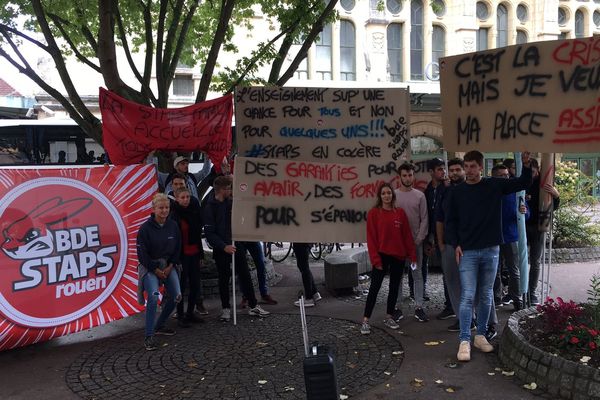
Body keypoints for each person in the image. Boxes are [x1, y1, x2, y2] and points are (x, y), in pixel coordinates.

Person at [446, 150, 532, 362]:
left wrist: (527, 164)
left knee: (486, 295)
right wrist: (456, 244)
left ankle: (481, 335)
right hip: (467, 250)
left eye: (473, 166)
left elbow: (522, 182)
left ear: (481, 167)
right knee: (467, 295)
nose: (469, 171)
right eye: (466, 167)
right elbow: (451, 221)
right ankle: (464, 339)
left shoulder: (494, 185)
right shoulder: (456, 192)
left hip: (491, 249)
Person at [203, 175, 270, 321]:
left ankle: (253, 305)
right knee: (224, 278)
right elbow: (210, 233)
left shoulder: (231, 203)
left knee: (245, 274)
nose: (231, 191)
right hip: (222, 248)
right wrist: (223, 246)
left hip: (236, 243)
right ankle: (226, 309)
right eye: (228, 188)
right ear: (222, 190)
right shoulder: (210, 207)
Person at [361, 183, 417, 335]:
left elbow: (406, 236)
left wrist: (412, 255)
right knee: (374, 288)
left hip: (398, 255)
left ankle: (389, 316)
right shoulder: (374, 213)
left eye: (389, 193)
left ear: (393, 195)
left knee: (394, 287)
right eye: (384, 193)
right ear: (380, 196)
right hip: (381, 255)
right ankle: (366, 320)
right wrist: (375, 260)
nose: (387, 196)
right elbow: (371, 238)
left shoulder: (400, 213)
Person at [136, 193, 182, 351]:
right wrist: (155, 270)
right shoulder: (145, 229)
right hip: (150, 267)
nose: (164, 211)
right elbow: (142, 255)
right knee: (154, 298)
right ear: (153, 209)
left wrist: (170, 266)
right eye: (161, 208)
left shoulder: (173, 226)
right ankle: (149, 336)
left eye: (167, 208)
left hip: (168, 265)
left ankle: (160, 324)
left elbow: (177, 248)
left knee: (176, 296)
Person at [393, 162, 429, 322]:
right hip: (398, 245)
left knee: (417, 274)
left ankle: (419, 306)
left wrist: (419, 239)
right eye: (404, 175)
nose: (407, 178)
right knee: (397, 275)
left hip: (415, 243)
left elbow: (424, 219)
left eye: (410, 175)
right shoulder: (393, 196)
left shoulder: (420, 196)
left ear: (413, 176)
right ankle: (397, 307)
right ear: (399, 177)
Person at [491, 164, 529, 311]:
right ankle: (496, 297)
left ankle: (516, 298)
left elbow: (527, 214)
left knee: (514, 269)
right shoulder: (490, 192)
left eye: (507, 175)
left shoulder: (515, 192)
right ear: (494, 177)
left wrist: (523, 211)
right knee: (494, 269)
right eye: (501, 175)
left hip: (511, 235)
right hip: (493, 236)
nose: (505, 178)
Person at [435, 158, 465, 330]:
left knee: (470, 282)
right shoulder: (444, 192)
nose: (454, 173)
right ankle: (462, 317)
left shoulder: (469, 190)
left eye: (457, 170)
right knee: (453, 283)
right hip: (448, 244)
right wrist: (440, 243)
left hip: (467, 244)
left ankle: (473, 317)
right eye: (451, 170)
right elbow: (439, 218)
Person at [526, 158, 560, 305]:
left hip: (538, 226)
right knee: (517, 262)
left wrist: (556, 195)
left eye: (533, 172)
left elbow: (552, 207)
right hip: (521, 226)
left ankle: (531, 292)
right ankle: (518, 292)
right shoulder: (521, 181)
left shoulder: (543, 183)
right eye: (529, 173)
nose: (531, 175)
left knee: (535, 261)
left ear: (537, 170)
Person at [170, 187, 206, 327]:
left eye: (188, 197)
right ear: (177, 198)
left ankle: (190, 312)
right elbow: (173, 239)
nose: (186, 200)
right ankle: (180, 315)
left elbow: (198, 235)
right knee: (181, 286)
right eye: (183, 197)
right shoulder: (174, 215)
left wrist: (201, 254)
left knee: (195, 285)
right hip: (182, 255)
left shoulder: (194, 211)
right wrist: (175, 259)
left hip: (194, 252)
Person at [421, 157, 447, 301]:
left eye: (443, 168)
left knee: (446, 268)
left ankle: (449, 303)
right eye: (439, 169)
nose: (443, 172)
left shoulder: (447, 187)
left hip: (444, 233)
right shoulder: (428, 190)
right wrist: (428, 236)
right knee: (423, 262)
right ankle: (421, 291)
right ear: (431, 172)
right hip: (431, 232)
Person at [292, 242, 322, 307]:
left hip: (300, 241)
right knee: (304, 266)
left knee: (303, 267)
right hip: (305, 241)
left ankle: (309, 298)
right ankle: (314, 292)